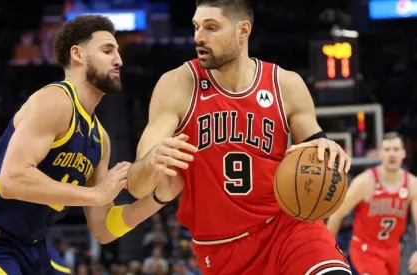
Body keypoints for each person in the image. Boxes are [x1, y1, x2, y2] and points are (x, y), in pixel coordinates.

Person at [126, 0, 353, 274]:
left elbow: (316, 147)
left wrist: (326, 147)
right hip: (220, 247)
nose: (199, 37)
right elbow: (137, 187)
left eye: (211, 27)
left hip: (288, 227)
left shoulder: (286, 84)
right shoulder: (178, 84)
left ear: (242, 30)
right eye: (197, 27)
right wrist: (150, 162)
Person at [0, 15, 183, 275]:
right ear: (77, 54)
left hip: (33, 247)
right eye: (107, 50)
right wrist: (96, 194)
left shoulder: (100, 138)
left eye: (117, 52)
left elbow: (103, 228)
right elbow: (12, 181)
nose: (119, 60)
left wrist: (160, 198)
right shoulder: (55, 101)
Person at [327, 132, 417, 275]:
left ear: (403, 153)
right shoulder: (365, 182)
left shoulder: (412, 184)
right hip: (366, 249)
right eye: (387, 150)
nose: (392, 154)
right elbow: (337, 215)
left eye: (396, 149)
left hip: (393, 250)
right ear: (380, 154)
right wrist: (329, 250)